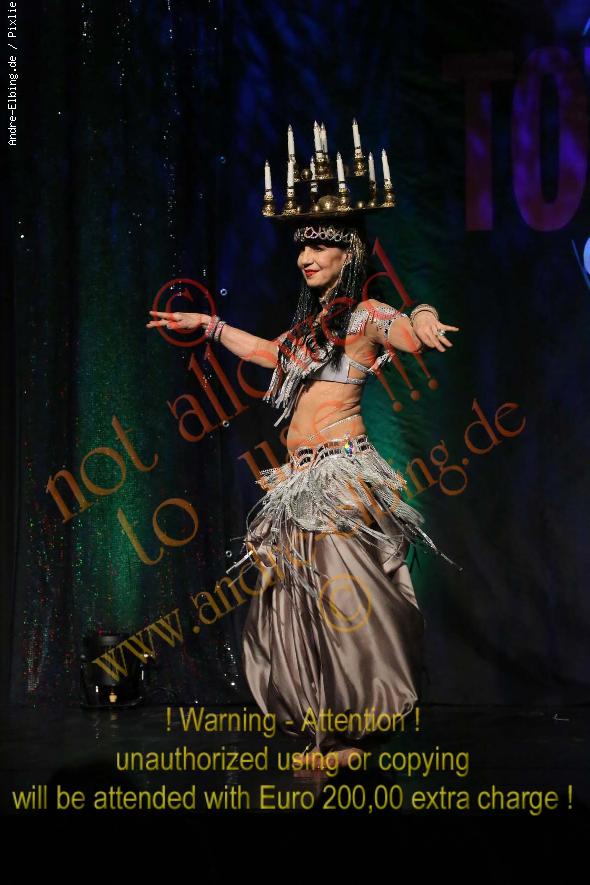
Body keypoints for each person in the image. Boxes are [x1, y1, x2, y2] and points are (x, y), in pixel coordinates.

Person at [146, 137, 462, 769]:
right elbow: (268, 353)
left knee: (344, 604)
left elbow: (406, 331)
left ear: (349, 253)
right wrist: (209, 326)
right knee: (300, 607)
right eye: (302, 248)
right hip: (296, 481)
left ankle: (349, 735)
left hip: (340, 477)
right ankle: (323, 734)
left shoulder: (365, 315)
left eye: (319, 248)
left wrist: (424, 315)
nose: (306, 258)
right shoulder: (312, 328)